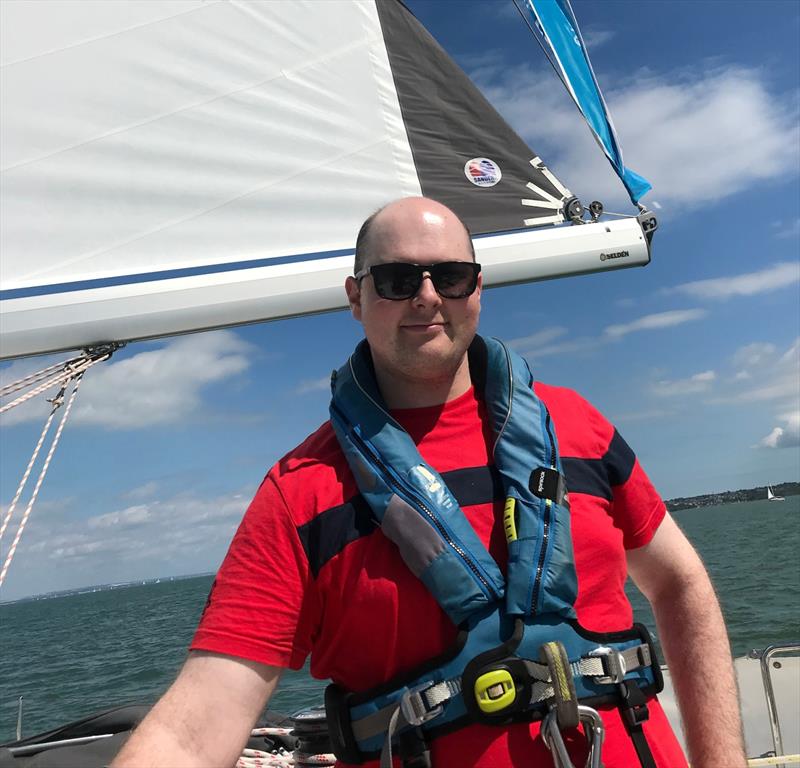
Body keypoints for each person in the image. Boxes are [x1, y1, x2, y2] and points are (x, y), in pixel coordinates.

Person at [112, 197, 746, 768]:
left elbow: (679, 582)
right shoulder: (299, 493)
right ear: (355, 297)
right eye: (395, 279)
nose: (426, 296)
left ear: (477, 289)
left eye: (450, 276)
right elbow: (197, 728)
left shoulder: (578, 428)